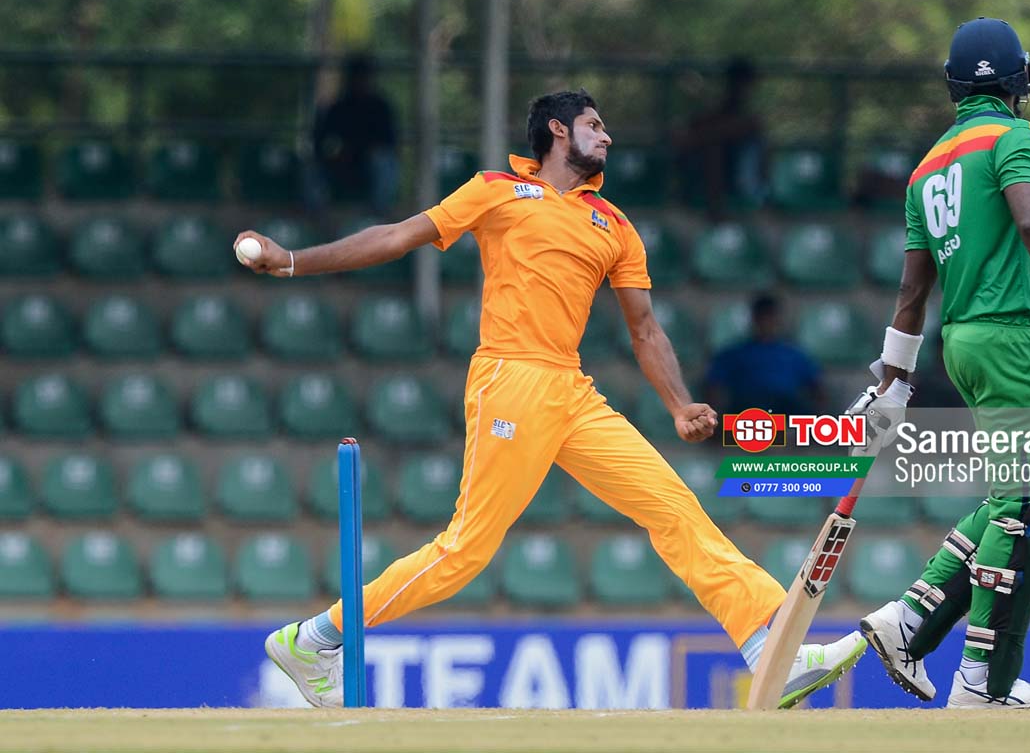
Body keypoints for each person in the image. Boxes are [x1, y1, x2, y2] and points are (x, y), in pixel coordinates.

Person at [237, 88, 864, 709]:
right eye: (595, 124)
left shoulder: (615, 225)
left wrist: (678, 404)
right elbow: (398, 237)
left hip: (572, 390)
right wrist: (291, 260)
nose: (607, 135)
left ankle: (770, 650)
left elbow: (645, 329)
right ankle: (314, 639)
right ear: (558, 130)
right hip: (509, 378)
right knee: (464, 552)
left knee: (672, 507)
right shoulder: (496, 189)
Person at [845, 18, 1030, 709]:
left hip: (964, 341)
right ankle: (981, 678)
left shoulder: (925, 169)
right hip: (1018, 338)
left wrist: (894, 383)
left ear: (955, 85)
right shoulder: (1016, 137)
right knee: (1024, 500)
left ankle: (909, 619)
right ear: (1018, 79)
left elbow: (912, 292)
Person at [675, 57, 769, 219]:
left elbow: (737, 129)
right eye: (736, 82)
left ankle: (725, 206)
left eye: (744, 83)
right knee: (712, 149)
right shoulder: (714, 113)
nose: (740, 88)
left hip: (747, 184)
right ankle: (713, 206)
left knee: (714, 147)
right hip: (714, 180)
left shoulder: (751, 121)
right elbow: (690, 135)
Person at [307, 53, 399, 216]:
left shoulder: (381, 107)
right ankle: (318, 218)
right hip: (342, 165)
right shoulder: (338, 107)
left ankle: (380, 215)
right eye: (356, 77)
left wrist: (364, 151)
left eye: (364, 77)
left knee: (383, 162)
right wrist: (336, 155)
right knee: (313, 168)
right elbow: (319, 142)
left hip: (370, 166)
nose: (360, 82)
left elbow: (390, 144)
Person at [704, 293, 823, 416]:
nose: (766, 323)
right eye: (762, 318)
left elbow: (816, 386)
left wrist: (819, 410)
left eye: (771, 317)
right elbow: (714, 385)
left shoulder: (794, 354)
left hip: (785, 404)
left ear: (778, 320)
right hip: (748, 404)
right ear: (754, 319)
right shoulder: (733, 353)